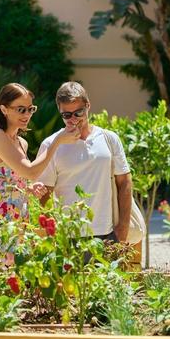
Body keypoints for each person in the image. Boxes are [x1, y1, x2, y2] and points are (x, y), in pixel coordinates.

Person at [0, 83, 79, 266]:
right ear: (3, 109)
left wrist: (27, 188)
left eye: (30, 109)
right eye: (21, 109)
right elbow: (31, 171)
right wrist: (57, 141)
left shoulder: (21, 143)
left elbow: (14, 180)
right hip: (0, 220)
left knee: (20, 277)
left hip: (20, 219)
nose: (27, 115)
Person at [36, 81, 133, 242]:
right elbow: (44, 195)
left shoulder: (109, 139)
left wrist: (123, 228)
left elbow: (124, 182)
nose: (73, 119)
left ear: (88, 106)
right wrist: (51, 235)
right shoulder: (51, 145)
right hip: (67, 236)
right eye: (66, 115)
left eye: (78, 113)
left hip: (107, 234)